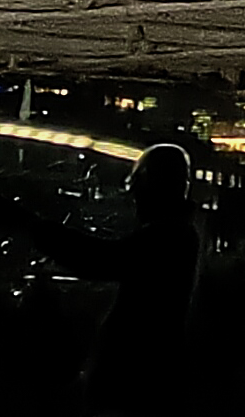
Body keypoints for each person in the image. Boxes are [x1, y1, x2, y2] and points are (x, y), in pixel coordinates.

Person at [89, 142, 203, 406]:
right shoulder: (182, 234)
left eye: (137, 182)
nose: (133, 193)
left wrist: (32, 226)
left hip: (136, 389)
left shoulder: (165, 237)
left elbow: (99, 260)